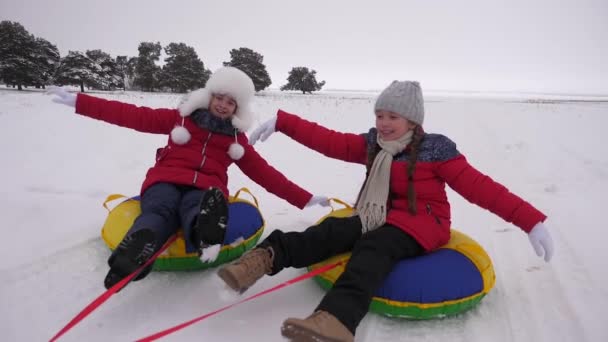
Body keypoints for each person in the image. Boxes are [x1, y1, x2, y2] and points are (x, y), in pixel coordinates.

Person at [217, 81, 555, 342]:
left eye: (393, 116)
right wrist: (284, 122)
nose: (384, 123)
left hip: (421, 223)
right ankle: (259, 261)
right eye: (380, 115)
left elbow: (482, 188)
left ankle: (335, 321)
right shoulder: (372, 145)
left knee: (373, 248)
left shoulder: (436, 151)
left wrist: (530, 221)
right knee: (330, 232)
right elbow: (329, 141)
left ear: (412, 120)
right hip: (374, 213)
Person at [48, 67, 328, 290]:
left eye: (231, 102)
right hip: (164, 180)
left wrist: (303, 197)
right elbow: (131, 115)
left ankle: (204, 230)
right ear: (209, 97)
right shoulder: (180, 119)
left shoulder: (236, 141)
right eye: (219, 98)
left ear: (237, 108)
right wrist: (80, 101)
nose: (223, 105)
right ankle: (135, 252)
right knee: (159, 209)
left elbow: (266, 174)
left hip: (206, 188)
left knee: (198, 206)